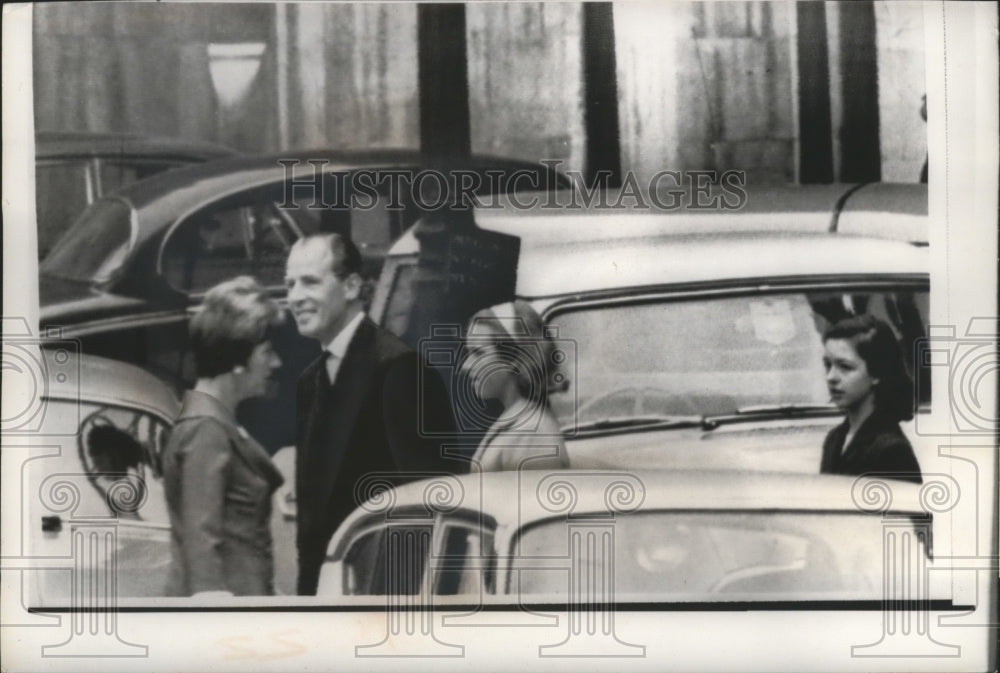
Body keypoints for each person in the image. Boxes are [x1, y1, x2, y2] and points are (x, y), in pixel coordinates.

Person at [285, 233, 459, 596]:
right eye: (290, 284)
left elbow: (430, 506)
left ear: (350, 286)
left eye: (310, 282)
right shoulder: (308, 381)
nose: (295, 297)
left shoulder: (399, 369)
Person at [162, 276, 286, 597]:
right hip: (229, 624)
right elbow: (202, 547)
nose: (276, 363)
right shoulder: (207, 429)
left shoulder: (216, 422)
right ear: (238, 358)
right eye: (268, 351)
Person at [462, 300, 570, 472]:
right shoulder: (519, 423)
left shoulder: (531, 434)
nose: (466, 365)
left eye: (478, 353)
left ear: (513, 359)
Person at [819, 315, 922, 484]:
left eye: (845, 367)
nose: (831, 377)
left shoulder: (891, 451)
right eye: (828, 365)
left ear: (876, 372)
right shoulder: (835, 438)